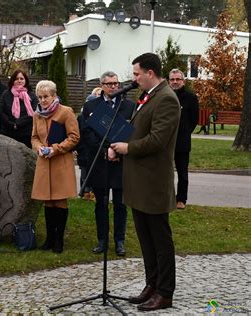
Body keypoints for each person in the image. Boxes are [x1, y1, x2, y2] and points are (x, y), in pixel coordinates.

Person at [110, 53, 180, 311]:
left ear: (151, 73)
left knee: (160, 241)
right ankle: (151, 284)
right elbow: (138, 129)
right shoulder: (150, 96)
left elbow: (157, 140)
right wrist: (116, 146)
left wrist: (127, 148)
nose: (134, 78)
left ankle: (165, 292)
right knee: (146, 239)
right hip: (139, 181)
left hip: (153, 183)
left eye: (137, 74)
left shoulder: (167, 99)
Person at [80, 71, 134, 256]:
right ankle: (102, 240)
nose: (113, 87)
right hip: (99, 161)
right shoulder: (91, 106)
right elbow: (87, 134)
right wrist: (105, 151)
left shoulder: (128, 105)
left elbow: (132, 132)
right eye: (109, 83)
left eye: (116, 83)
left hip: (121, 162)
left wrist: (117, 150)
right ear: (102, 85)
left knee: (120, 204)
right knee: (101, 204)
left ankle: (120, 241)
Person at [31, 80, 80, 254]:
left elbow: (74, 137)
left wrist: (55, 149)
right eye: (40, 97)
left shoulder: (65, 112)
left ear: (54, 96)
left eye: (46, 97)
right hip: (44, 162)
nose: (43, 100)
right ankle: (49, 238)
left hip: (60, 161)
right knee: (48, 200)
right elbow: (34, 137)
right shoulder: (37, 115)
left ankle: (59, 240)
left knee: (59, 199)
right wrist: (38, 148)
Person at [168, 68, 199, 210]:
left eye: (177, 79)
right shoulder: (164, 96)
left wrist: (184, 132)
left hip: (182, 142)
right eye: (172, 79)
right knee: (165, 172)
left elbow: (194, 120)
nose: (175, 82)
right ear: (169, 81)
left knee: (182, 173)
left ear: (183, 81)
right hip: (165, 142)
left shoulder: (191, 98)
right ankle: (167, 198)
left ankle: (181, 199)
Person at [0, 69, 38, 148]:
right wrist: (11, 124)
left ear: (25, 80)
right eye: (16, 79)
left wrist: (18, 123)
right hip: (8, 131)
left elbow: (34, 112)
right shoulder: (6, 94)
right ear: (12, 80)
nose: (19, 81)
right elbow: (0, 111)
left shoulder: (32, 95)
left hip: (26, 133)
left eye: (21, 78)